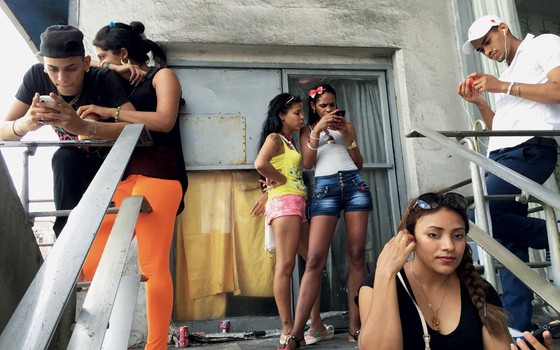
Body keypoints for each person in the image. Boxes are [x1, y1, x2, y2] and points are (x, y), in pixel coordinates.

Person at [76, 21, 188, 350]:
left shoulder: (161, 76)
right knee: (92, 257)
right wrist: (114, 70)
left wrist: (109, 111)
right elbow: (88, 67)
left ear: (123, 53)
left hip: (161, 175)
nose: (98, 61)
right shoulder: (113, 80)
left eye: (102, 55)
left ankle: (156, 347)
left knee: (153, 266)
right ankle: (103, 339)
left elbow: (164, 120)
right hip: (124, 178)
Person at [458, 15, 560, 332]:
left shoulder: (543, 44)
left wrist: (502, 86)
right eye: (480, 49)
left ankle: (554, 235)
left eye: (487, 42)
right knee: (505, 239)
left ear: (503, 28)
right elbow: (499, 129)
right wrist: (480, 102)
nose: (487, 51)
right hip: (503, 155)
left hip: (532, 149)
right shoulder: (506, 76)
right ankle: (518, 326)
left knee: (479, 217)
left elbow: (558, 90)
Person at [0, 24, 134, 236]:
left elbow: (136, 129)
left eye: (71, 68)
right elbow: (3, 131)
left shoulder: (101, 78)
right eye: (53, 69)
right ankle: (63, 235)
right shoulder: (36, 77)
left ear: (86, 63)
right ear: (43, 65)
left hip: (112, 160)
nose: (62, 78)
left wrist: (84, 126)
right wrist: (25, 124)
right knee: (62, 157)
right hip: (71, 163)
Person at [357, 192, 512, 349]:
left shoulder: (482, 292)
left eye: (458, 235)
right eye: (433, 234)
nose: (449, 246)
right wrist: (386, 273)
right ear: (410, 238)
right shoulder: (377, 285)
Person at [283, 84, 373, 349]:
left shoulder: (348, 127)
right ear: (314, 107)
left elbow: (359, 163)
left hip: (354, 185)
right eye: (324, 105)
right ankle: (297, 332)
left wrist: (348, 137)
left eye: (333, 104)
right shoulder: (306, 130)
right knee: (314, 259)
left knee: (357, 255)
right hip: (325, 189)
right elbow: (308, 164)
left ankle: (356, 326)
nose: (330, 109)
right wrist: (318, 130)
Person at [253, 93, 334, 348]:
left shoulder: (288, 142)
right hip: (286, 204)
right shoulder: (274, 138)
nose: (301, 117)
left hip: (297, 203)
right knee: (286, 267)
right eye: (296, 113)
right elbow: (260, 164)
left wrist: (272, 188)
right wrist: (279, 182)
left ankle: (315, 324)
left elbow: (283, 170)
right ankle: (287, 327)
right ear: (281, 115)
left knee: (314, 263)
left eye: (301, 112)